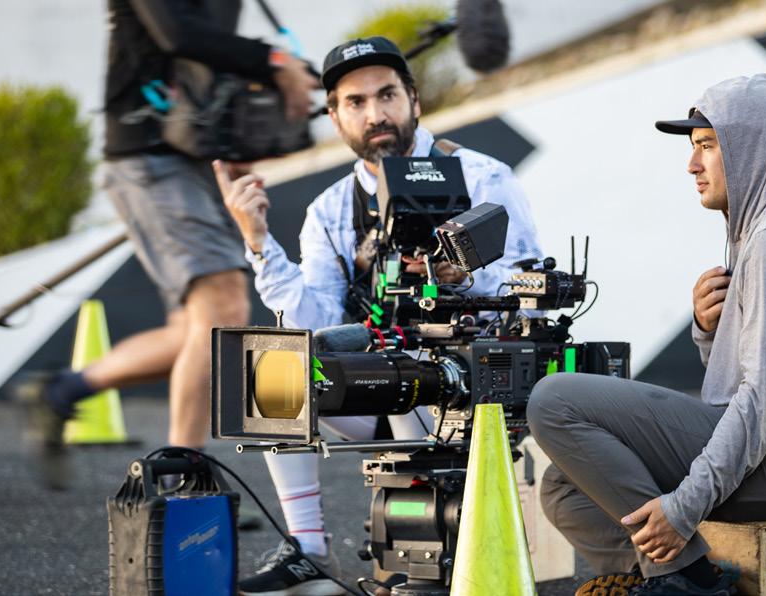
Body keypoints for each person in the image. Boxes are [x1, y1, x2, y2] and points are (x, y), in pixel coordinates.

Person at [215, 36, 544, 596]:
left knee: (419, 371)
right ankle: (309, 551)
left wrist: (462, 277)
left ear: (414, 100)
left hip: (476, 383)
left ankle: (430, 556)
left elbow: (528, 283)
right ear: (335, 116)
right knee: (271, 366)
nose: (375, 114)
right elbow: (312, 321)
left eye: (387, 95)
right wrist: (259, 243)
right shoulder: (330, 209)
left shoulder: (482, 176)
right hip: (383, 381)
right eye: (356, 102)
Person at [526, 74, 766, 596]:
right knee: (565, 483)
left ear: (754, 148)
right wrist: (709, 331)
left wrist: (682, 509)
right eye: (693, 147)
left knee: (554, 401)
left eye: (709, 146)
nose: (692, 164)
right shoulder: (762, 229)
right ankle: (678, 573)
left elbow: (763, 401)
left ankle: (684, 579)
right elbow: (739, 390)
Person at [17, 0, 318, 489]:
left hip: (193, 152)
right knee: (221, 310)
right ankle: (181, 483)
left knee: (194, 332)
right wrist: (275, 62)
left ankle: (60, 392)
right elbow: (178, 34)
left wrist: (241, 132)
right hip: (150, 155)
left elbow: (205, 56)